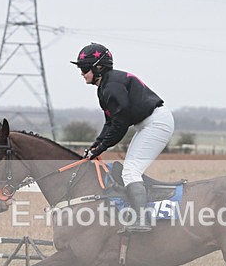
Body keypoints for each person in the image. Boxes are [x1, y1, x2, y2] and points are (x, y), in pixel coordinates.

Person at [71, 43, 175, 233]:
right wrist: (96, 145)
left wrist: (100, 148)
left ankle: (142, 220)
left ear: (99, 67)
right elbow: (110, 123)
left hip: (156, 123)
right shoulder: (105, 86)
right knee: (130, 170)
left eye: (84, 68)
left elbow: (120, 126)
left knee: (130, 172)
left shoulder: (111, 87)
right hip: (148, 123)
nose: (81, 73)